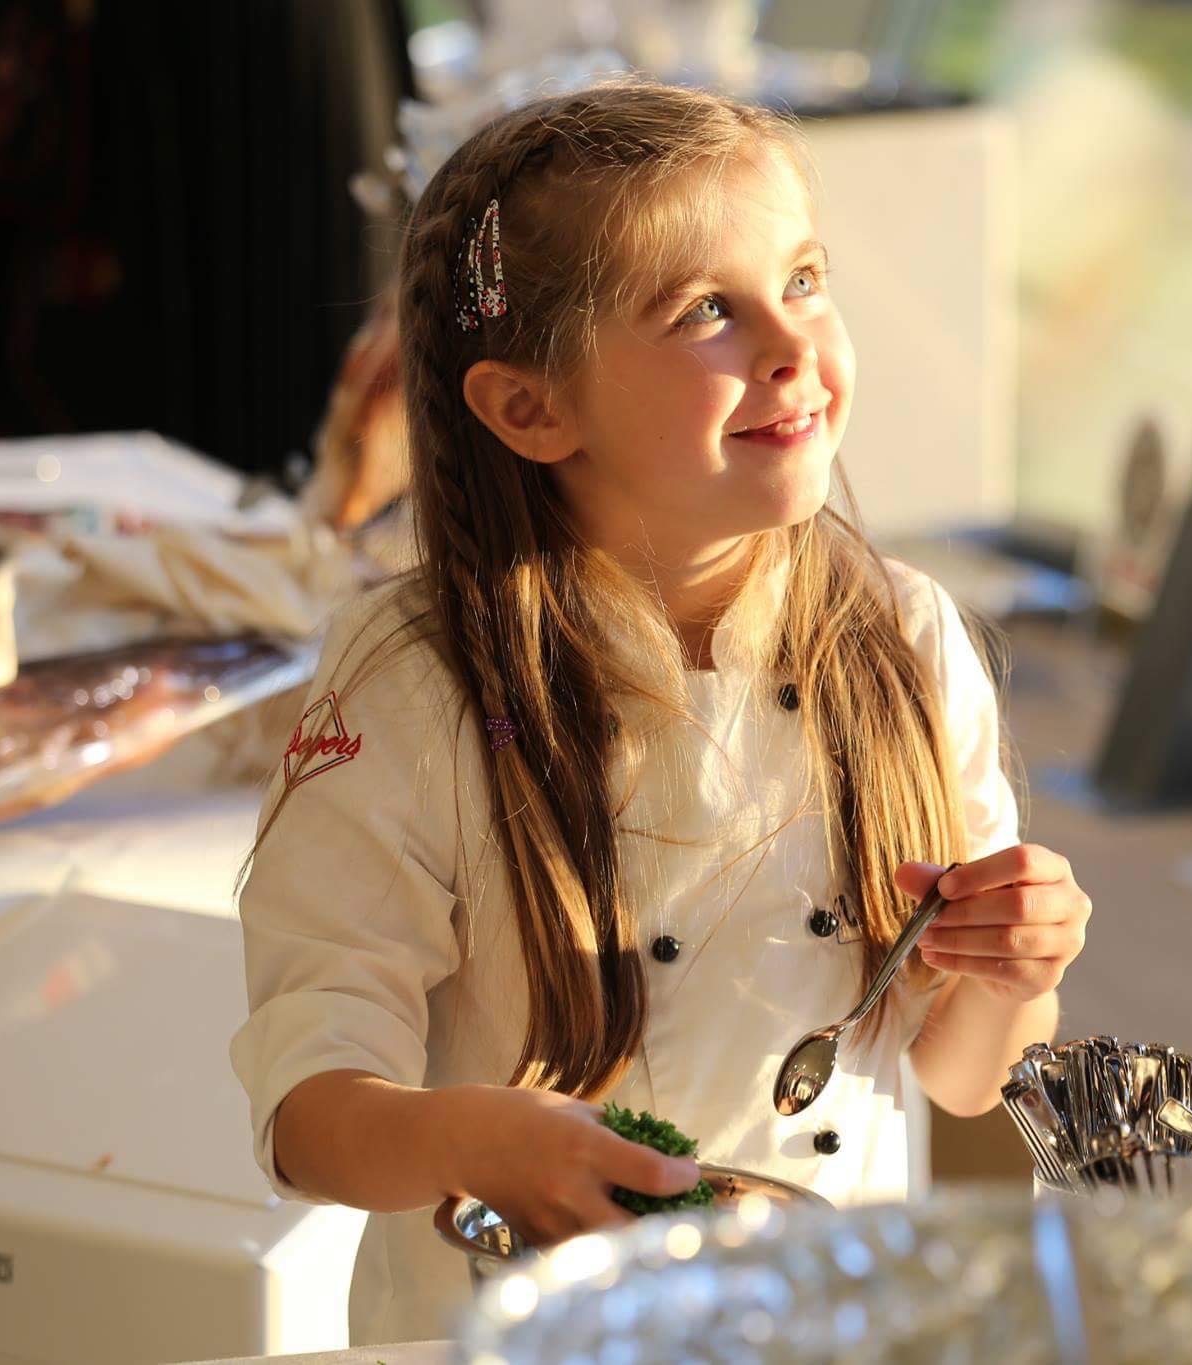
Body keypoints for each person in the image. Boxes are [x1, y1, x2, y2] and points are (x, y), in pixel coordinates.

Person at [230, 79, 1093, 1344]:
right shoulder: (415, 680)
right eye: (705, 311)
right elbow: (309, 1115)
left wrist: (1018, 969)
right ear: (530, 409)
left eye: (802, 280)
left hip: (830, 1323)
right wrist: (470, 1138)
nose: (791, 347)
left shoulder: (904, 639)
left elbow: (964, 1076)